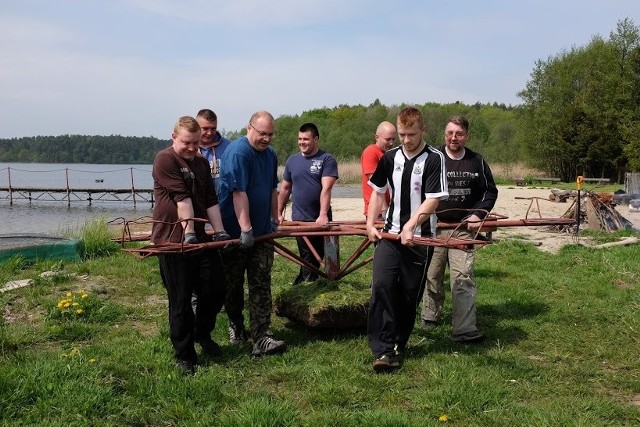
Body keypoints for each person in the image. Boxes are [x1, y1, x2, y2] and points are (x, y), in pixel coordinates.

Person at [365, 107, 448, 372]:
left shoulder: (435, 159)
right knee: (381, 285)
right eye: (401, 134)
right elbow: (378, 192)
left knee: (408, 294)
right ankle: (383, 349)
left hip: (419, 239)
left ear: (423, 130)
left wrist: (412, 224)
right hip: (390, 235)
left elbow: (433, 198)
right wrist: (370, 223)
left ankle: (399, 342)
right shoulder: (389, 158)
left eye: (411, 134)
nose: (406, 140)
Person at [151, 116, 230, 375]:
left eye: (196, 143)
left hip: (200, 238)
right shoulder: (165, 159)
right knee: (181, 299)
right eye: (186, 142)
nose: (192, 148)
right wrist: (189, 233)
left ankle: (201, 334)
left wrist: (219, 233)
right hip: (173, 239)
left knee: (217, 287)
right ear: (174, 137)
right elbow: (182, 199)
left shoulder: (201, 163)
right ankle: (184, 354)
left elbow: (210, 200)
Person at [420, 115, 498, 343]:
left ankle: (464, 328)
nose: (454, 138)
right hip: (433, 227)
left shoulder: (476, 161)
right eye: (450, 133)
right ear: (444, 134)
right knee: (432, 274)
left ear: (467, 135)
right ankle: (430, 315)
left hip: (462, 228)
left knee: (462, 276)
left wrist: (478, 213)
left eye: (459, 134)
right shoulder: (432, 158)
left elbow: (489, 192)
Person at [218, 110, 286, 357]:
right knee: (232, 284)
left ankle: (262, 335)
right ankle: (236, 325)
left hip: (262, 233)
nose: (266, 139)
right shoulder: (237, 153)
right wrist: (245, 229)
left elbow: (272, 189)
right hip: (235, 232)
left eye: (270, 134)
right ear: (249, 128)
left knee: (261, 283)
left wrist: (274, 218)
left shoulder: (270, 154)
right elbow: (238, 193)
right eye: (262, 133)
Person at [277, 122, 339, 285]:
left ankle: (311, 280)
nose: (301, 142)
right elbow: (284, 189)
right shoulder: (292, 161)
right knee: (306, 253)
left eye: (306, 139)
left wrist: (323, 214)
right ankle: (307, 281)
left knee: (319, 253)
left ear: (316, 139)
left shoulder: (326, 159)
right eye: (299, 139)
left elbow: (326, 189)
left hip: (319, 217)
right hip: (299, 217)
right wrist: (277, 213)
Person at [361, 121, 396, 218]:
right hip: (377, 211)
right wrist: (384, 208)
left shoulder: (389, 155)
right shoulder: (371, 152)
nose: (391, 143)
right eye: (388, 139)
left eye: (393, 139)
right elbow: (376, 183)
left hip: (391, 209)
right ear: (377, 137)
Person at [196, 108, 233, 194]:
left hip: (224, 203)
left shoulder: (229, 147)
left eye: (213, 129)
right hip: (199, 204)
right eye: (205, 128)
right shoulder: (189, 149)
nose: (209, 133)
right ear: (196, 127)